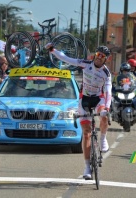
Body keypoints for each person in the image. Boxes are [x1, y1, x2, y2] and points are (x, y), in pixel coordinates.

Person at [45, 43, 112, 179]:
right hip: (84, 99)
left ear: (106, 59)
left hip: (98, 99)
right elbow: (66, 59)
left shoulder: (106, 73)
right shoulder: (85, 64)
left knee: (104, 114)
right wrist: (53, 50)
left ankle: (103, 139)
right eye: (98, 54)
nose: (99, 58)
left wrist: (107, 108)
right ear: (95, 55)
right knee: (86, 133)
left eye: (102, 56)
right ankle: (87, 167)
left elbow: (108, 92)